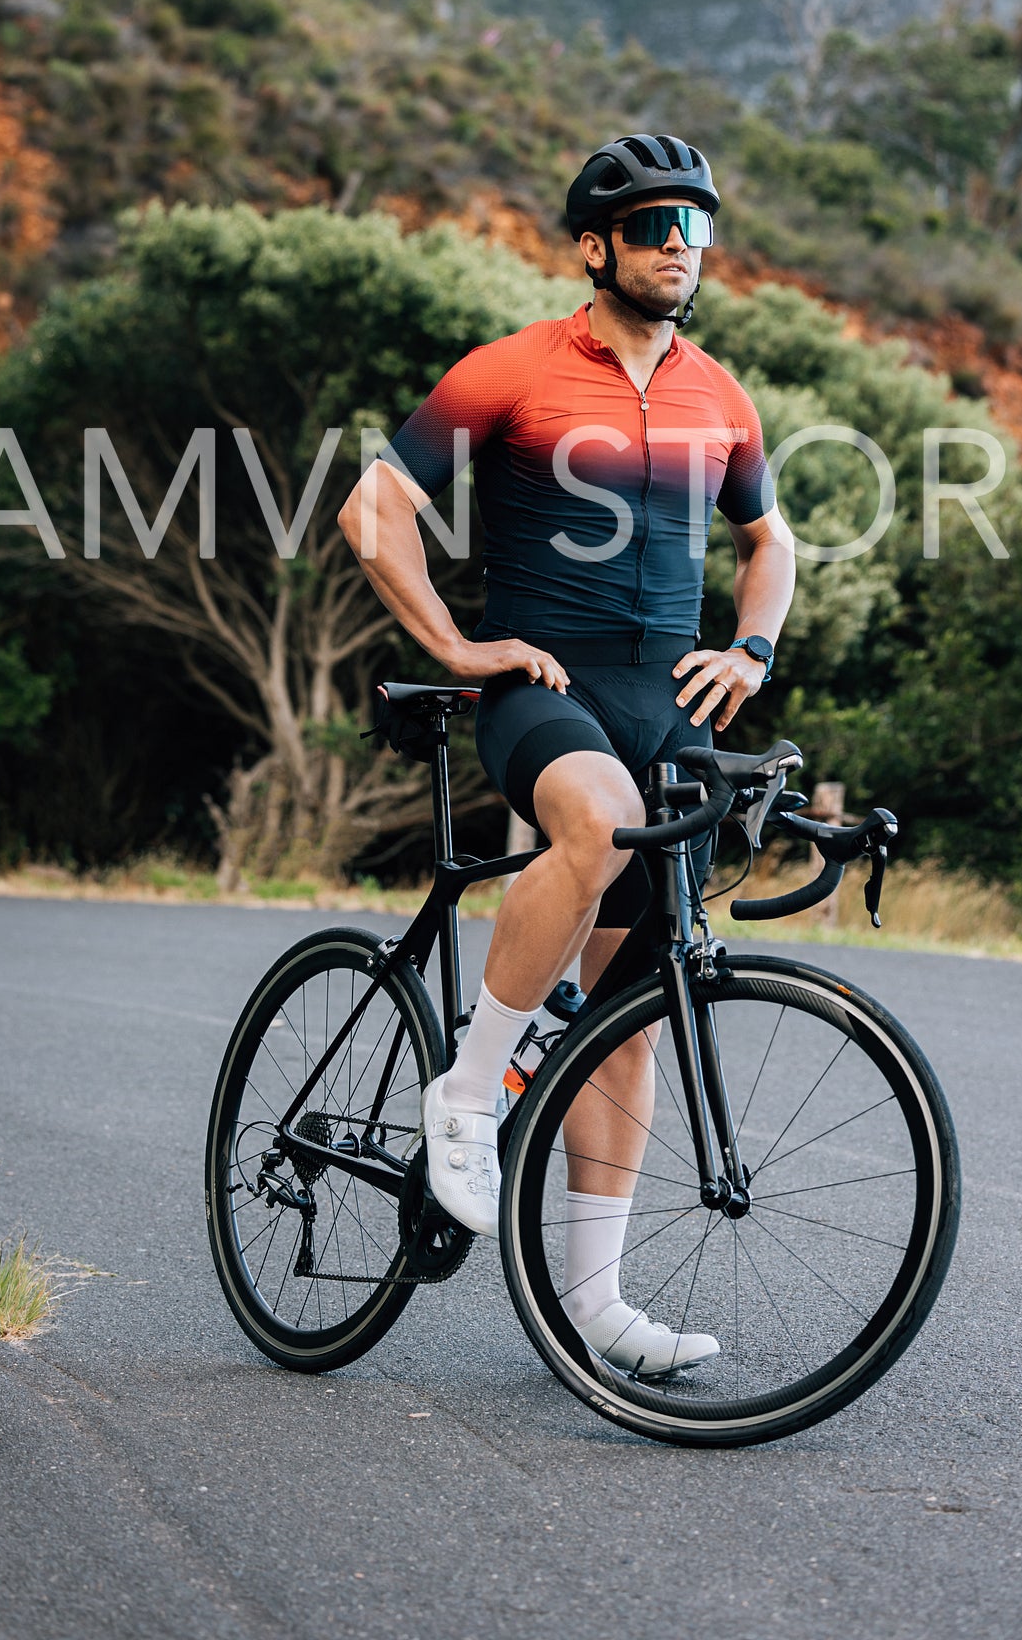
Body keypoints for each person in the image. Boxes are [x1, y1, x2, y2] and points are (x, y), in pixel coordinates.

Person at [338, 135, 794, 1374]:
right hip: (544, 684)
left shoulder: (718, 394)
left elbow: (769, 541)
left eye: (695, 229)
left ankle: (592, 1304)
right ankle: (470, 1086)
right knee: (587, 821)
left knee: (631, 1018)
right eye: (653, 228)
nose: (678, 250)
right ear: (595, 247)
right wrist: (459, 642)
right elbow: (373, 512)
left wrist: (749, 652)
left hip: (670, 697)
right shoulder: (515, 369)